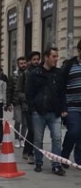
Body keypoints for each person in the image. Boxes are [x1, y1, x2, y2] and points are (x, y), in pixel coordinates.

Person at [26, 46, 67, 175]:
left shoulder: (59, 73)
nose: (56, 58)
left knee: (57, 138)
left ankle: (56, 164)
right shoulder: (35, 73)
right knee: (38, 139)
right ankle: (38, 162)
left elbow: (62, 92)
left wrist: (63, 108)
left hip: (54, 113)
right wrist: (33, 108)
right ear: (46, 57)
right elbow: (29, 92)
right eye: (54, 56)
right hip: (39, 112)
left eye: (56, 56)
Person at [61, 39, 81, 168]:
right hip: (72, 106)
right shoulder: (69, 65)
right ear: (79, 51)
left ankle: (79, 160)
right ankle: (64, 156)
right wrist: (63, 107)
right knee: (74, 131)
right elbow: (61, 87)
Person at [16, 51, 40, 164]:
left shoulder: (41, 72)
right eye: (34, 59)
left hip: (39, 106)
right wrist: (27, 97)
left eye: (37, 59)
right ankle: (30, 153)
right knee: (32, 129)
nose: (36, 61)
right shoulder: (24, 74)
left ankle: (27, 150)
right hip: (27, 106)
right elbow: (18, 91)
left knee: (35, 131)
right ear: (30, 60)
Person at [6, 56, 27, 148]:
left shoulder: (29, 74)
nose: (23, 65)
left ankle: (22, 139)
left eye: (24, 63)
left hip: (26, 102)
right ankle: (16, 138)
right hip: (16, 102)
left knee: (25, 123)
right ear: (18, 65)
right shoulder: (13, 76)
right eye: (21, 63)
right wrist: (8, 103)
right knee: (18, 120)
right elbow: (9, 90)